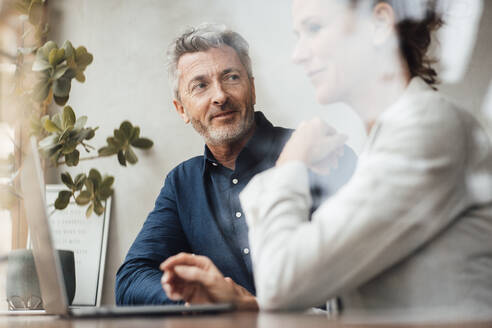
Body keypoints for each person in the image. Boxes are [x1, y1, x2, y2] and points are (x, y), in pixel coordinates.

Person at [161, 0, 492, 318]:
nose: (298, 54)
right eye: (298, 35)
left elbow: (282, 282)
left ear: (379, 24)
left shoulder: (425, 132)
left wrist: (291, 162)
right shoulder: (390, 141)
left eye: (314, 28)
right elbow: (360, 306)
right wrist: (247, 303)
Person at [115, 23, 357, 307]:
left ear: (252, 88)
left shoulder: (317, 151)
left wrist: (249, 308)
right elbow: (131, 279)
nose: (219, 96)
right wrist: (195, 302)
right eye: (200, 85)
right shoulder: (182, 183)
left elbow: (354, 285)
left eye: (230, 77)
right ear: (182, 109)